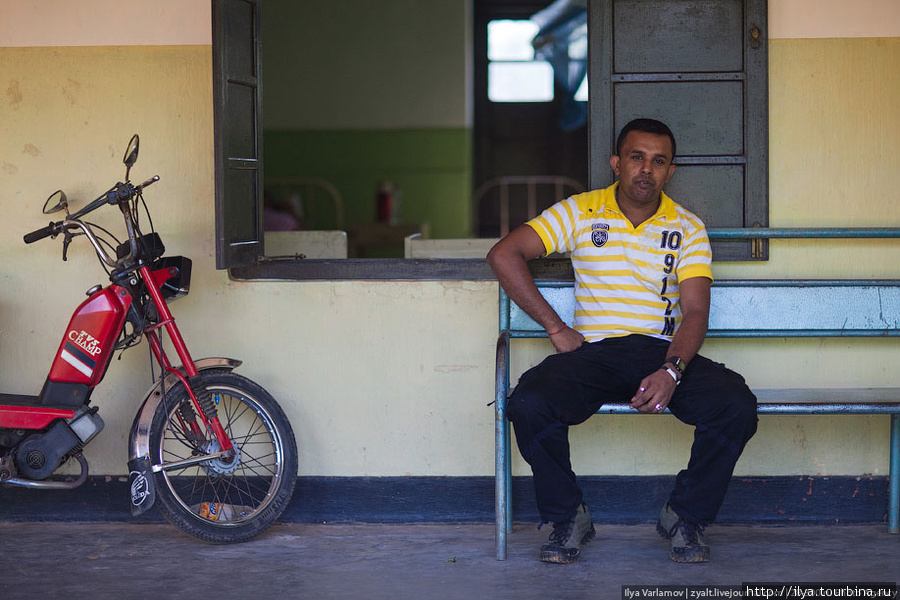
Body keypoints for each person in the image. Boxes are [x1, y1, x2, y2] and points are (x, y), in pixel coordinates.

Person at [485, 118, 758, 565]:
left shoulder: (687, 227)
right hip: (592, 355)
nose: (645, 170)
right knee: (529, 403)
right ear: (617, 163)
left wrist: (672, 370)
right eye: (636, 157)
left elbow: (695, 312)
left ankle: (686, 516)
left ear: (671, 171)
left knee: (736, 405)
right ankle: (568, 516)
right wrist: (556, 327)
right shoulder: (579, 210)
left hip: (660, 353)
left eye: (658, 161)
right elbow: (504, 254)